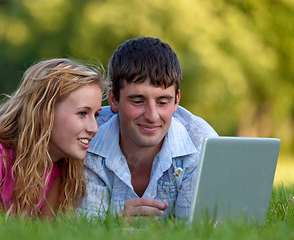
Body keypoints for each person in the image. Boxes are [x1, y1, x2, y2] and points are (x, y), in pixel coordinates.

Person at [79, 37, 218, 221]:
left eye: (162, 102)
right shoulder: (87, 136)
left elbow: (200, 229)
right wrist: (114, 224)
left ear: (176, 100)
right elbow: (85, 226)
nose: (152, 116)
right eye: (138, 101)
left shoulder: (202, 144)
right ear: (113, 99)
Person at [0, 58, 105, 218]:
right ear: (45, 112)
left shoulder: (59, 167)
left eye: (96, 115)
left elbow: (47, 233)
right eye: (82, 113)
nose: (94, 128)